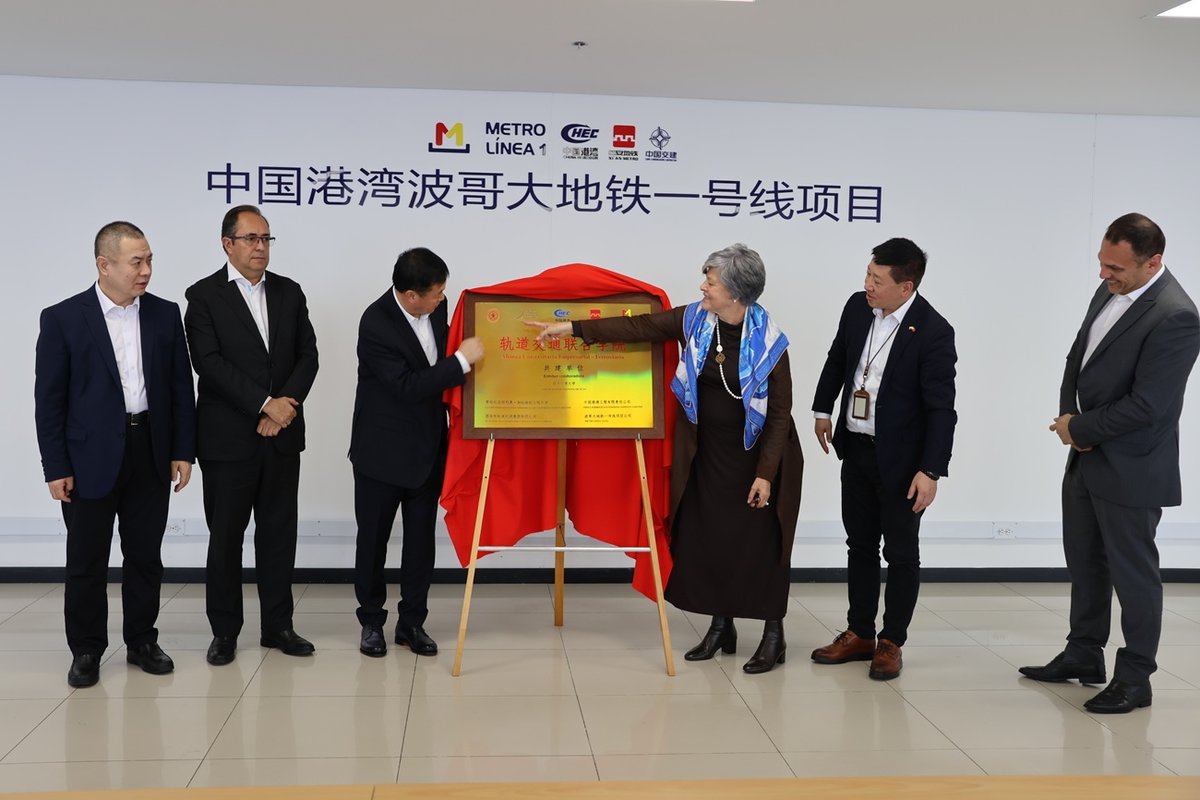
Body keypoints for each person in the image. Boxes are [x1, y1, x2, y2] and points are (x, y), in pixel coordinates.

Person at [531, 244, 803, 674]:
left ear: (735, 292)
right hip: (707, 455)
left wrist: (766, 475)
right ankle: (720, 626)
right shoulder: (696, 320)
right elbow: (640, 327)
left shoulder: (771, 344)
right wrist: (572, 330)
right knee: (711, 538)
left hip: (757, 459)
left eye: (710, 282)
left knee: (760, 544)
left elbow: (780, 415)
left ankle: (774, 635)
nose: (702, 287)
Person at [1020, 213, 1199, 714]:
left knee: (1134, 576)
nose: (1104, 275)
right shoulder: (1111, 287)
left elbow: (1151, 405)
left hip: (1132, 466)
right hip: (1087, 455)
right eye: (1102, 263)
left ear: (1153, 262)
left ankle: (1136, 678)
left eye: (1115, 267)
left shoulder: (1177, 316)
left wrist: (1081, 430)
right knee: (1085, 561)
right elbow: (1079, 354)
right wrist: (1068, 415)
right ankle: (1083, 654)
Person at [35, 221, 196, 687]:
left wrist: (183, 450)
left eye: (149, 260)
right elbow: (50, 401)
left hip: (149, 448)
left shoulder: (165, 315)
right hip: (88, 460)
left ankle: (143, 639)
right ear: (104, 265)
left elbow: (180, 388)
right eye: (136, 262)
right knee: (86, 560)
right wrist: (56, 466)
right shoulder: (63, 318)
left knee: (145, 555)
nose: (146, 271)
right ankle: (86, 649)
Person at [810, 237, 957, 681]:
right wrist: (822, 409)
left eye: (877, 280)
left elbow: (941, 409)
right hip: (856, 448)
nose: (867, 285)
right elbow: (838, 359)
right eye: (868, 275)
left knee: (900, 553)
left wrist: (930, 470)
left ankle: (891, 641)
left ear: (906, 286)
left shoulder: (933, 331)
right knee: (859, 545)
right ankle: (859, 633)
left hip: (902, 463)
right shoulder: (857, 307)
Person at [184, 205, 319, 665]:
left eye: (265, 239)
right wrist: (266, 404)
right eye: (250, 239)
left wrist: (285, 409)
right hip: (228, 441)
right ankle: (225, 631)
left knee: (279, 534)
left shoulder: (289, 291)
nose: (260, 247)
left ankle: (278, 626)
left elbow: (308, 355)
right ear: (228, 244)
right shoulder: (202, 297)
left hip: (281, 437)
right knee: (226, 538)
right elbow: (210, 364)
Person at [349, 248, 484, 657]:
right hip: (381, 453)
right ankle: (371, 621)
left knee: (420, 542)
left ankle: (412, 623)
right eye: (437, 293)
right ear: (411, 295)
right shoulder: (376, 324)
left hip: (427, 449)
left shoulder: (438, 311)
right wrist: (462, 361)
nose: (443, 299)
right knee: (373, 541)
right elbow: (408, 386)